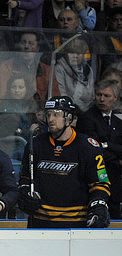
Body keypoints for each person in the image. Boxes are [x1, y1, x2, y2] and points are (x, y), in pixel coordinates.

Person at [18, 96, 111, 228]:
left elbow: (100, 182)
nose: (51, 119)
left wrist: (99, 203)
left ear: (69, 118)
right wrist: (25, 192)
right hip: (40, 223)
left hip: (76, 223)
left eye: (56, 114)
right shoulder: (35, 144)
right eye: (48, 114)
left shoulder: (88, 147)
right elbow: (25, 178)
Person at [76, 79, 122, 219]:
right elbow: (93, 149)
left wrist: (107, 145)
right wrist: (118, 159)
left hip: (114, 180)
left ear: (115, 98)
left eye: (106, 96)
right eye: (99, 95)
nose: (102, 99)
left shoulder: (118, 122)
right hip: (93, 177)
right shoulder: (87, 118)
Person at [54, 38, 95, 111]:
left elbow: (91, 95)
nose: (75, 56)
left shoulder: (88, 70)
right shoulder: (59, 69)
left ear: (83, 55)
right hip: (67, 109)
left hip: (86, 110)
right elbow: (61, 94)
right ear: (66, 54)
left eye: (79, 53)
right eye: (72, 53)